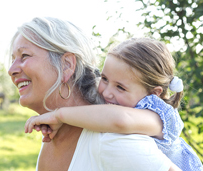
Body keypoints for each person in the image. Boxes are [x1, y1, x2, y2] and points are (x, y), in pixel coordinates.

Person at [9, 17, 180, 170]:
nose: (11, 70)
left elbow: (122, 120)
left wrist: (58, 115)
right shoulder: (57, 134)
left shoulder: (113, 141)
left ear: (67, 65)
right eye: (104, 79)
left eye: (24, 56)